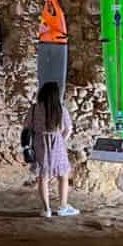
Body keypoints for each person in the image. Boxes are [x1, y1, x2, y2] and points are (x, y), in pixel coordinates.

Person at [24, 82, 79, 217]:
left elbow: (27, 127)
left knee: (43, 176)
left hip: (39, 142)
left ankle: (46, 209)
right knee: (63, 176)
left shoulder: (34, 109)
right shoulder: (60, 109)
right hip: (57, 143)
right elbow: (68, 128)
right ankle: (63, 207)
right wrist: (61, 140)